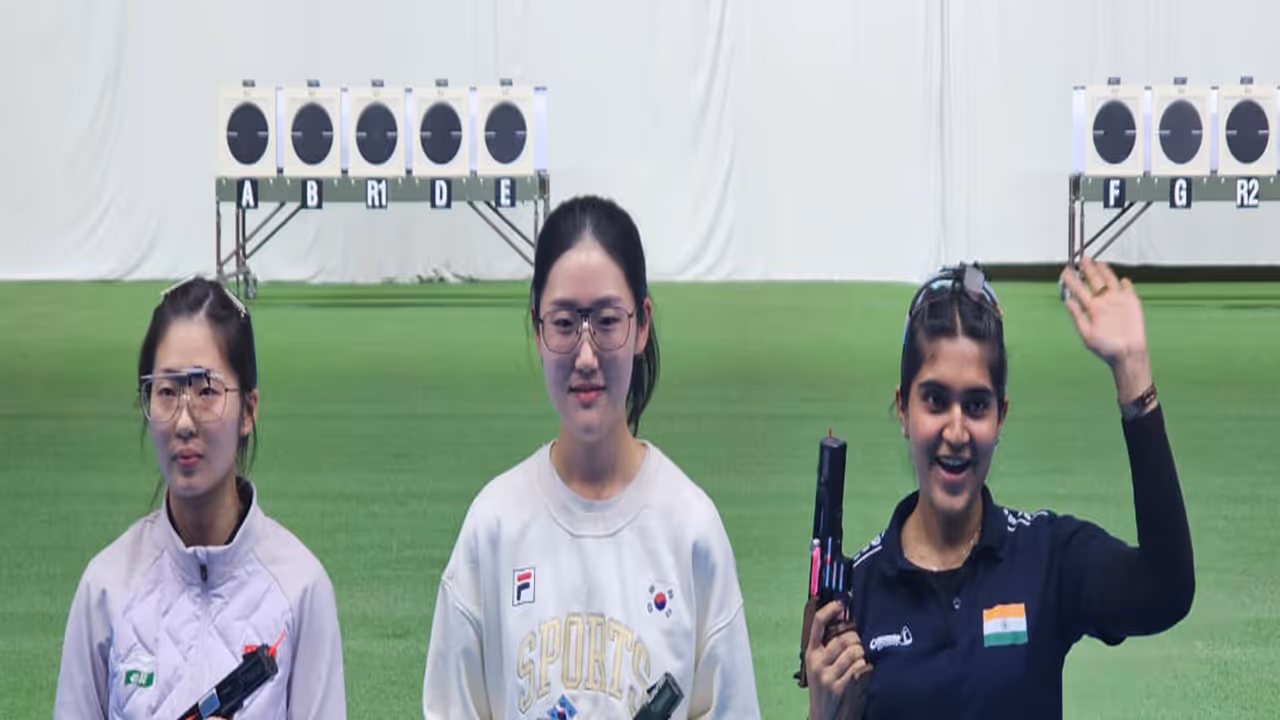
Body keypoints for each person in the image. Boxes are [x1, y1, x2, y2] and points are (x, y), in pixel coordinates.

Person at [802, 257, 1195, 720]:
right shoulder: (856, 593)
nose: (956, 429)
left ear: (1000, 416)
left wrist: (1133, 373)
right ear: (903, 409)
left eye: (976, 405)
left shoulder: (1047, 558)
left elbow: (1165, 592)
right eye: (934, 400)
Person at [422, 195, 761, 719]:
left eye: (606, 321)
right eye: (563, 323)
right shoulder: (493, 526)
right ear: (537, 328)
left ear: (642, 325)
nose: (585, 355)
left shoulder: (690, 529)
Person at [53, 277, 347, 720]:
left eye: (206, 390)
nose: (184, 421)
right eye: (167, 391)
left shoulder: (301, 590)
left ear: (249, 410)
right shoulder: (106, 588)